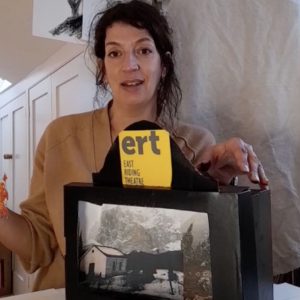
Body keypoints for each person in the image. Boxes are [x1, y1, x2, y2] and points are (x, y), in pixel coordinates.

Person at [0, 0, 269, 291]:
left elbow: (206, 260)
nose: (129, 65)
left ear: (163, 65)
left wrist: (221, 183)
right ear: (103, 69)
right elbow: (36, 246)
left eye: (143, 50)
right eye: (115, 53)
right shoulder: (59, 137)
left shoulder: (197, 145)